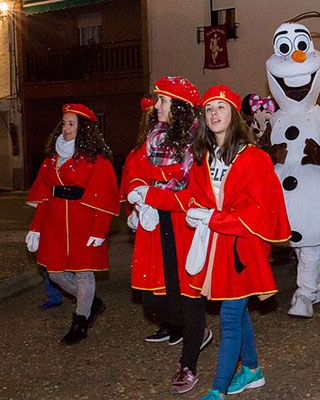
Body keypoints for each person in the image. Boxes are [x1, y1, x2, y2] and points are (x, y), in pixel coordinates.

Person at [142, 85, 290, 400]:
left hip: (242, 248)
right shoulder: (203, 157)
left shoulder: (254, 158)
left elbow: (260, 210)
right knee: (235, 311)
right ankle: (251, 369)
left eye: (220, 108)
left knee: (230, 316)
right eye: (209, 109)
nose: (213, 114)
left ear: (234, 115)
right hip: (215, 246)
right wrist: (150, 196)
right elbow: (190, 197)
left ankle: (218, 389)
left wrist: (215, 219)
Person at [124, 77, 212, 394]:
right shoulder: (153, 139)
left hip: (184, 228)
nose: (156, 106)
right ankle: (195, 331)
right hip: (155, 225)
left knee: (188, 297)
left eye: (162, 101)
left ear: (177, 107)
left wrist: (151, 194)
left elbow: (192, 195)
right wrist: (138, 197)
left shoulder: (197, 146)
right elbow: (136, 171)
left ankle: (188, 364)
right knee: (154, 300)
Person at [25, 103, 118, 344]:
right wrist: (36, 227)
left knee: (84, 273)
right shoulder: (52, 158)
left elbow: (103, 195)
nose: (66, 128)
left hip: (83, 221)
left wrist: (100, 229)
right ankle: (89, 301)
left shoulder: (96, 160)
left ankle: (80, 323)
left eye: (71, 124)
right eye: (64, 123)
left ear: (83, 128)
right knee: (54, 272)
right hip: (55, 223)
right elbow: (45, 193)